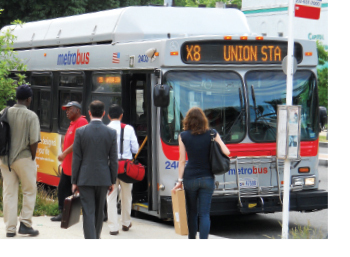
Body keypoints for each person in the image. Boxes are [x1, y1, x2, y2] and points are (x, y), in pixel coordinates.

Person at [172, 107, 230, 239]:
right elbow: (227, 152)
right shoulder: (212, 133)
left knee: (192, 212)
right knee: (204, 214)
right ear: (203, 120)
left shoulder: (183, 136)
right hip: (207, 178)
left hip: (190, 178)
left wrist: (179, 181)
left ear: (187, 120)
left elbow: (182, 161)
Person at [71, 100, 118, 239]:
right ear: (104, 113)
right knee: (99, 214)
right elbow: (113, 160)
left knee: (88, 212)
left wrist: (74, 180)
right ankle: (96, 238)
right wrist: (112, 180)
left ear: (89, 113)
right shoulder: (111, 133)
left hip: (84, 178)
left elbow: (77, 158)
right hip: (103, 178)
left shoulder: (80, 132)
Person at [0, 84, 41, 237]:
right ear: (29, 99)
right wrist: (32, 157)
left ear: (16, 98)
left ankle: (10, 229)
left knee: (9, 193)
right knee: (29, 191)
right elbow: (33, 140)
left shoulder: (4, 112)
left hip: (5, 159)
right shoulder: (31, 116)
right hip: (24, 158)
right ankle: (25, 224)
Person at [51, 101, 88, 222]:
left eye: (69, 109)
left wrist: (65, 153)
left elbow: (78, 142)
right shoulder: (73, 123)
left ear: (77, 110)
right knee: (63, 189)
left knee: (82, 190)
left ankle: (100, 213)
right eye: (66, 110)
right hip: (68, 165)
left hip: (76, 165)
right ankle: (63, 213)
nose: (67, 112)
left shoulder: (82, 121)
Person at [107, 104, 139, 235]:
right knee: (127, 195)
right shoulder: (129, 129)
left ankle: (113, 227)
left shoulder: (105, 129)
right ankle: (126, 223)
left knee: (111, 197)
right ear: (121, 116)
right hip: (127, 168)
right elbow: (135, 149)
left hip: (110, 167)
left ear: (108, 116)